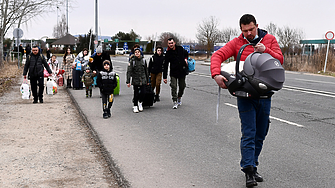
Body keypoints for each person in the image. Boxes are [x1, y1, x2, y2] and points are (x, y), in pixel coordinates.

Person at [210, 14, 284, 187]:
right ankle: (249, 170)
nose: (249, 33)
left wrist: (266, 50)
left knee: (261, 132)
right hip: (245, 95)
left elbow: (280, 60)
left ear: (256, 25)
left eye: (251, 29)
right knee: (249, 133)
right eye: (245, 31)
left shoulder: (269, 40)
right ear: (241, 30)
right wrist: (216, 74)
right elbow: (217, 56)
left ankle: (254, 163)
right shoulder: (237, 43)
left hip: (265, 95)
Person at [163, 37, 189, 109]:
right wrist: (164, 77)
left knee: (182, 86)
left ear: (174, 43)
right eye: (169, 43)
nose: (171, 44)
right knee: (173, 86)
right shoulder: (168, 53)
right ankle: (175, 101)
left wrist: (185, 59)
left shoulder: (180, 49)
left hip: (182, 71)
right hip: (173, 72)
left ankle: (179, 97)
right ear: (168, 44)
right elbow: (165, 65)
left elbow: (186, 53)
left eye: (172, 43)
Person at [126, 48, 149, 113]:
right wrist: (128, 81)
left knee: (143, 92)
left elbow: (146, 71)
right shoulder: (132, 61)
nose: (137, 53)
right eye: (135, 52)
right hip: (135, 79)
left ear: (140, 53)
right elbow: (129, 71)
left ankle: (140, 102)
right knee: (136, 93)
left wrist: (147, 80)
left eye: (138, 52)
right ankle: (135, 105)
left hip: (143, 79)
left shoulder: (143, 60)